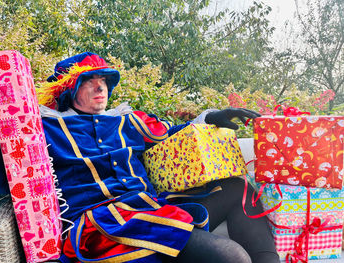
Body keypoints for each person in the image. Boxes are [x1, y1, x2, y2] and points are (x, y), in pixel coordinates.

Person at [35, 52, 280, 263]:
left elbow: (170, 135)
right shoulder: (46, 130)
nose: (100, 87)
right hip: (105, 227)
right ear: (69, 89)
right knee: (232, 256)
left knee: (239, 187)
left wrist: (213, 117)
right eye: (88, 81)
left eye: (103, 80)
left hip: (154, 207)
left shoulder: (128, 119)